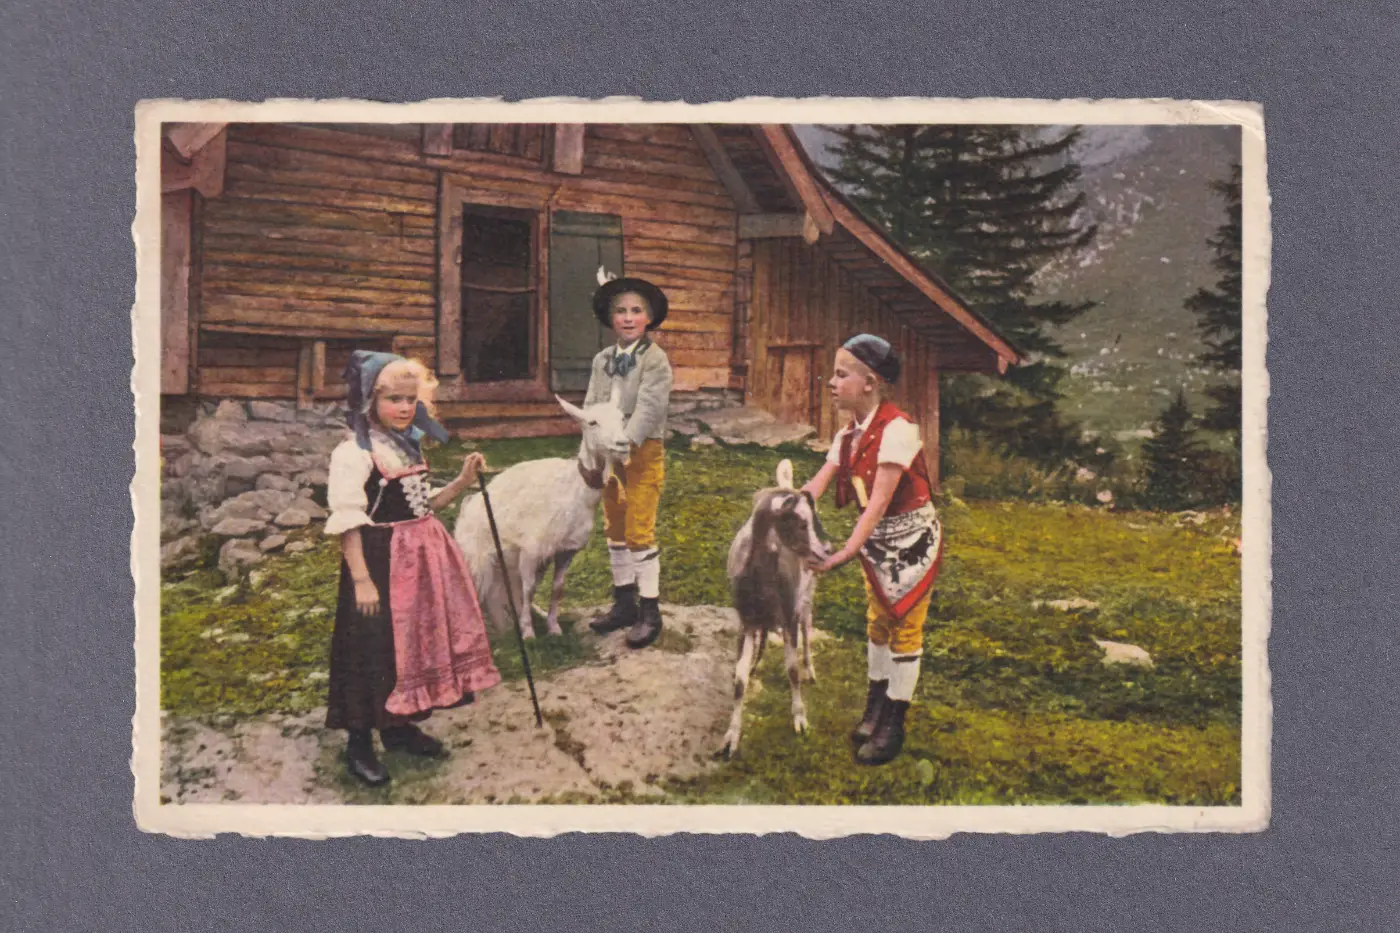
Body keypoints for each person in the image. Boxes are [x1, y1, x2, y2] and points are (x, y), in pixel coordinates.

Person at [323, 351, 501, 787]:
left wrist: (460, 482)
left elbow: (424, 505)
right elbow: (348, 520)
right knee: (372, 647)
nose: (404, 408)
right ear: (369, 401)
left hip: (420, 562)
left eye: (410, 400)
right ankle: (360, 742)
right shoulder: (355, 452)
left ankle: (399, 727)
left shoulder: (406, 443)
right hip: (379, 562)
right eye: (393, 400)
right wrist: (362, 580)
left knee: (411, 646)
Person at [801, 334, 943, 766]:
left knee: (905, 628)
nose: (831, 382)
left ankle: (895, 721)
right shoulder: (847, 435)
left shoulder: (899, 431)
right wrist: (786, 504)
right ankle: (875, 706)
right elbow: (817, 484)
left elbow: (879, 501)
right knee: (877, 622)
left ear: (870, 383)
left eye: (841, 374)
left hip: (911, 542)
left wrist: (843, 553)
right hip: (878, 543)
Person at [583, 275, 674, 649]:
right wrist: (594, 449)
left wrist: (626, 442)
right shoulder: (601, 360)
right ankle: (624, 602)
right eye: (620, 311)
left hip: (641, 451)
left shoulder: (655, 360)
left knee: (639, 527)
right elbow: (591, 406)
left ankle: (650, 609)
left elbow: (651, 407)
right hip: (608, 455)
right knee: (615, 524)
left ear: (649, 318)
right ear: (609, 318)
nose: (628, 317)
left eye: (636, 311)